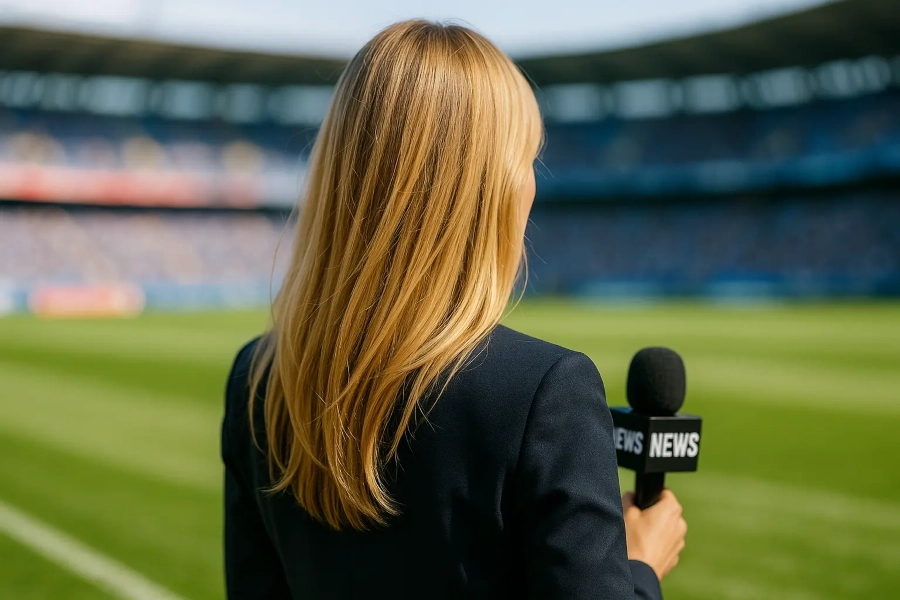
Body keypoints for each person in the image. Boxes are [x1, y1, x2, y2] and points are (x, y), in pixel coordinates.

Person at [222, 20, 687, 599]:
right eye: (526, 160)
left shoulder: (257, 379)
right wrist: (638, 567)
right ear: (487, 189)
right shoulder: (544, 393)